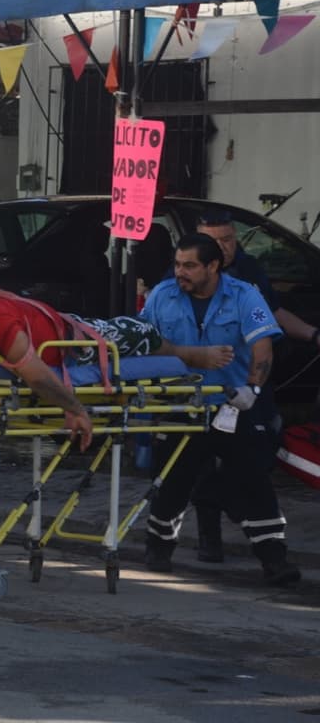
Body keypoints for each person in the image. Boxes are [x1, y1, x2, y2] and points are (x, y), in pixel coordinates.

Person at [0, 264, 233, 452]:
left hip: (68, 327)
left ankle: (183, 351)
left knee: (131, 327)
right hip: (74, 346)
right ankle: (187, 356)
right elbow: (36, 373)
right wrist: (75, 408)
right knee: (139, 331)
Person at [140, 232, 300, 585]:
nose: (180, 272)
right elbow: (143, 343)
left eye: (190, 266)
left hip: (233, 404)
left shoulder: (244, 295)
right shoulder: (162, 296)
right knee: (170, 480)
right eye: (178, 264)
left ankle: (274, 560)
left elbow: (263, 350)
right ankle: (158, 547)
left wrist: (253, 389)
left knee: (253, 481)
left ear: (213, 266)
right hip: (180, 403)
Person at [189, 209, 320, 563]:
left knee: (265, 447)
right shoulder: (185, 275)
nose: (224, 247)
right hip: (207, 383)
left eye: (229, 239)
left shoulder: (249, 270)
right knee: (205, 455)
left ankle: (218, 498)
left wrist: (312, 334)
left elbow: (273, 312)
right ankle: (210, 538)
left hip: (253, 380)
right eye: (214, 241)